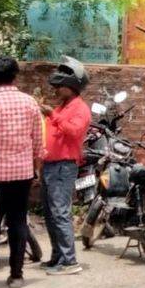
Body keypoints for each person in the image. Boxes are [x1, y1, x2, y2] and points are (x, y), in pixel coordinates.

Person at [0, 57, 44, 288]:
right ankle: (16, 276)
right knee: (18, 223)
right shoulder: (29, 103)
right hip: (22, 173)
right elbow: (38, 141)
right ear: (16, 76)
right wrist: (37, 169)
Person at [38, 57, 91, 276]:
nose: (56, 90)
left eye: (60, 87)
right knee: (51, 214)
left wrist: (52, 115)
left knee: (60, 213)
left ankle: (70, 261)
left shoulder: (80, 109)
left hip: (63, 166)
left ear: (71, 87)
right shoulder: (62, 107)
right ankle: (57, 257)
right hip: (50, 166)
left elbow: (75, 131)